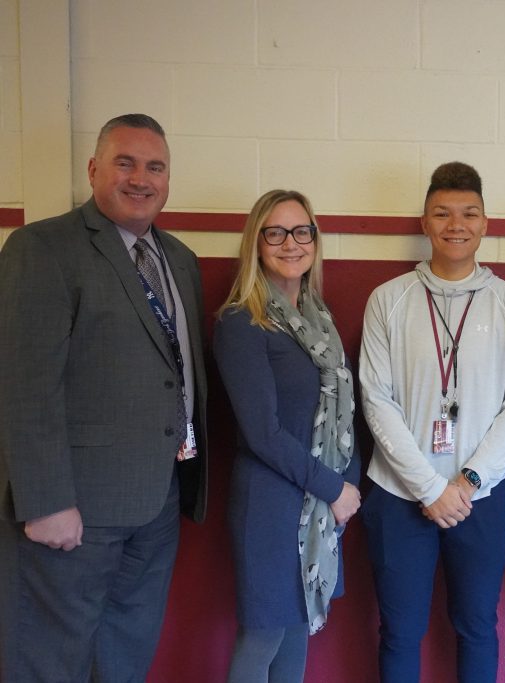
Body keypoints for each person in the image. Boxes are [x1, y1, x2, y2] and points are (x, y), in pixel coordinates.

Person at [0, 113, 207, 682]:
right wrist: (44, 501)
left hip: (158, 500)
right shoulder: (43, 248)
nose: (141, 178)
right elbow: (24, 384)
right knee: (48, 659)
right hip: (74, 508)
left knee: (125, 654)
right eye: (125, 163)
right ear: (94, 170)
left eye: (155, 167)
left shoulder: (179, 261)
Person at [359, 161, 505, 682]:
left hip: (478, 498)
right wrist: (428, 487)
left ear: (485, 224)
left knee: (478, 627)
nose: (455, 224)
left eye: (468, 214)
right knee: (399, 632)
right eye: (442, 213)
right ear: (425, 222)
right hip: (398, 494)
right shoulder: (388, 300)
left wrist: (468, 480)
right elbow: (377, 399)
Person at [214, 190, 361, 682]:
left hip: (318, 506)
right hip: (271, 505)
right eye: (275, 232)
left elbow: (340, 417)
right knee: (264, 634)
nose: (290, 243)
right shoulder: (242, 321)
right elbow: (262, 433)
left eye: (302, 231)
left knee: (297, 631)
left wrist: (345, 487)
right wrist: (335, 488)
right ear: (257, 243)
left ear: (315, 241)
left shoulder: (319, 320)